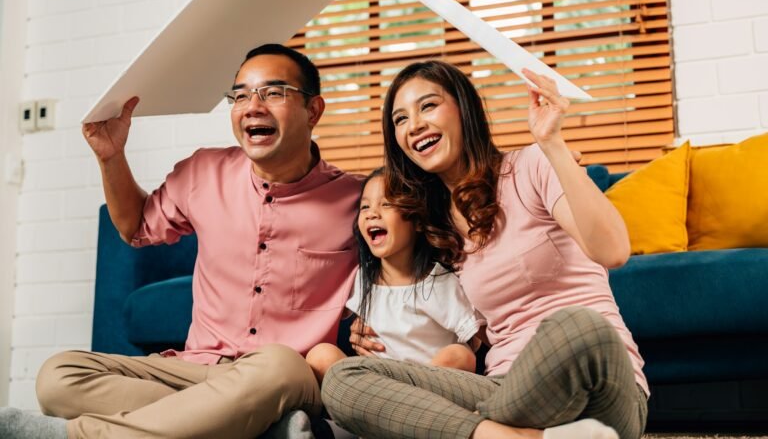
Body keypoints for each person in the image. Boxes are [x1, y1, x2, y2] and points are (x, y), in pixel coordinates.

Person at [0, 44, 362, 439]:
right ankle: (261, 426)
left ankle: (83, 435)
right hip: (194, 369)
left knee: (278, 366)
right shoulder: (203, 172)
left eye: (273, 93)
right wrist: (111, 157)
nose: (252, 106)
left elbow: (406, 276)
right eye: (240, 95)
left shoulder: (359, 201)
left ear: (314, 110)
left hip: (287, 374)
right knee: (58, 376)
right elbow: (135, 227)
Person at [322, 61, 649, 439]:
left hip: (597, 382)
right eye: (400, 119)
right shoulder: (433, 226)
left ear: (465, 110)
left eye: (428, 106)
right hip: (506, 391)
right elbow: (449, 322)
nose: (414, 125)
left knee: (578, 327)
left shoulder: (531, 166)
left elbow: (613, 251)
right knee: (343, 380)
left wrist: (552, 144)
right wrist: (375, 326)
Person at [306, 168, 485, 382]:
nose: (372, 213)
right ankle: (376, 406)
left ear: (418, 221)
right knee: (321, 354)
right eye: (365, 206)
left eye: (386, 204)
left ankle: (404, 405)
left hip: (428, 385)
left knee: (460, 354)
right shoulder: (360, 279)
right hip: (377, 384)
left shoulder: (439, 282)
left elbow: (475, 341)